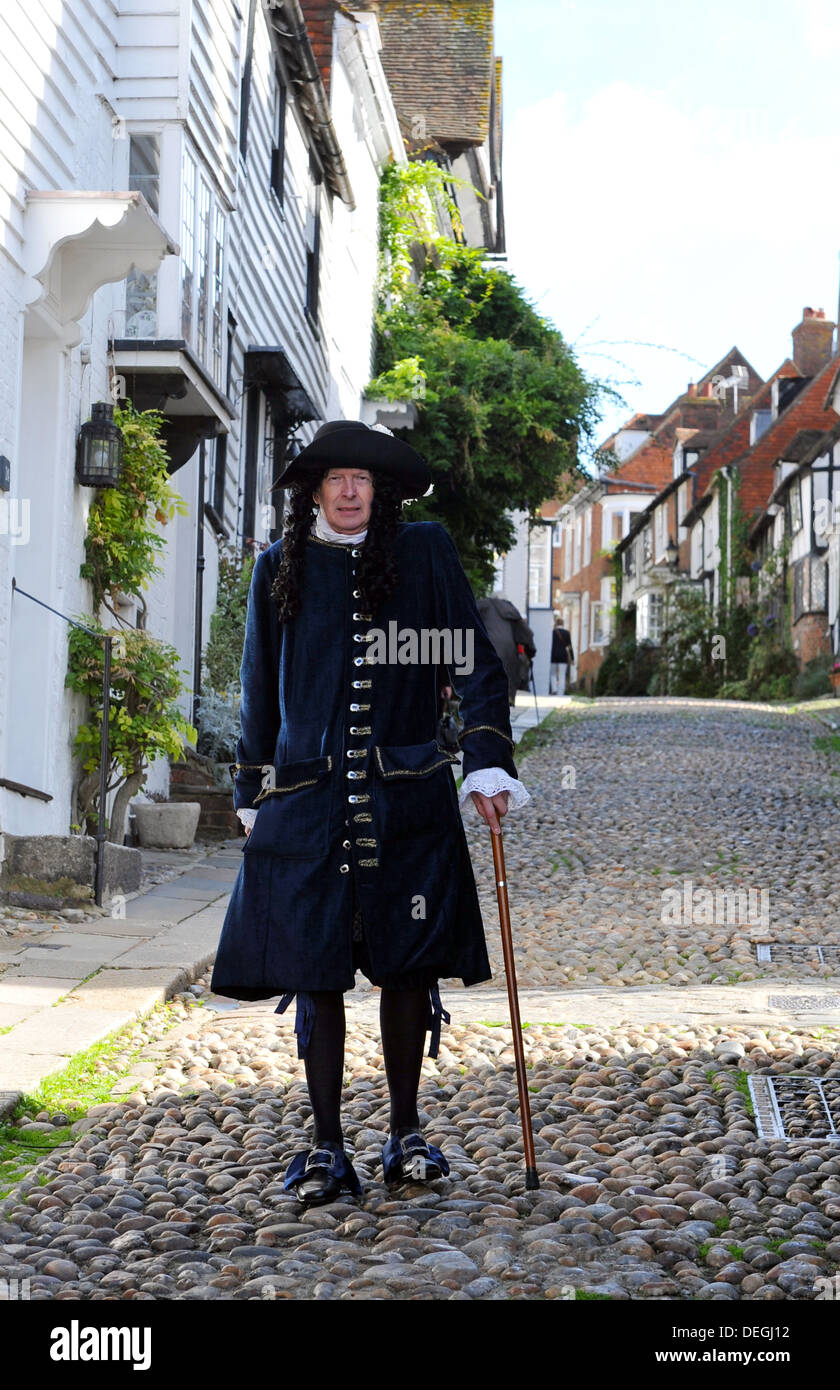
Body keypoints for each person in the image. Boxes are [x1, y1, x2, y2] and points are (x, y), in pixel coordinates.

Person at [211, 419, 531, 1206]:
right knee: (313, 974)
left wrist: (486, 760)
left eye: (363, 479)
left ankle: (406, 1130)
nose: (350, 491)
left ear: (379, 491)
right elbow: (260, 688)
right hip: (308, 803)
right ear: (314, 491)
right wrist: (251, 792)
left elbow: (472, 665)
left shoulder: (420, 555)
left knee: (407, 965)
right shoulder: (277, 569)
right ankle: (324, 1145)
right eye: (335, 479)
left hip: (407, 800)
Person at [476, 593, 536, 706]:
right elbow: (526, 633)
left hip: (487, 649)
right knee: (506, 679)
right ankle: (507, 699)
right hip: (509, 652)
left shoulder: (483, 605)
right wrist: (530, 651)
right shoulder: (511, 610)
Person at [550, 615, 574, 695]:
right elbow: (569, 646)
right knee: (562, 674)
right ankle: (561, 691)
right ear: (563, 624)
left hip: (553, 655)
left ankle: (554, 689)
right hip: (563, 656)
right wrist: (572, 658)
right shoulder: (566, 633)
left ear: (556, 623)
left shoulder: (552, 632)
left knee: (553, 673)